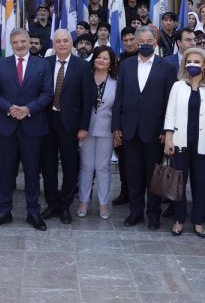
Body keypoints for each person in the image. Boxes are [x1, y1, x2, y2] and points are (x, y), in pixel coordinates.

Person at [0, 28, 53, 231]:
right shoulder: (0, 64)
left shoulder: (42, 64)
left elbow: (47, 93)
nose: (20, 45)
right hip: (7, 126)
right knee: (5, 172)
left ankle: (33, 212)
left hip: (32, 126)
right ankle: (4, 211)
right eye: (16, 42)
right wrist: (10, 108)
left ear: (29, 42)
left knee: (32, 172)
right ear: (11, 44)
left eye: (24, 41)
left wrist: (28, 109)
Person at [112, 26, 178, 230]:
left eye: (149, 40)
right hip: (129, 129)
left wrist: (166, 131)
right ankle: (135, 212)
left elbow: (170, 101)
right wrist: (116, 126)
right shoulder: (126, 65)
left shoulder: (166, 67)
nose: (145, 44)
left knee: (155, 175)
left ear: (156, 41)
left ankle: (154, 215)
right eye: (141, 41)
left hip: (155, 131)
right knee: (133, 174)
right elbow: (119, 97)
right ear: (135, 43)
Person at [163, 47, 205, 238]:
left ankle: (198, 221)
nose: (193, 65)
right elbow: (170, 113)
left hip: (204, 145)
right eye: (189, 61)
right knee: (178, 184)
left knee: (202, 184)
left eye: (197, 62)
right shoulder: (177, 86)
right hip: (180, 143)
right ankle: (179, 220)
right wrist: (169, 138)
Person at [41, 29, 94, 225]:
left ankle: (65, 205)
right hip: (46, 122)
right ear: (53, 44)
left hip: (70, 124)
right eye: (58, 41)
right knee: (48, 166)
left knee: (70, 166)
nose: (62, 44)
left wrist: (84, 127)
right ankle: (52, 203)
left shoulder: (82, 66)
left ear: (71, 43)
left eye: (65, 41)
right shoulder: (44, 64)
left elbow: (87, 100)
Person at [78, 46, 118, 220]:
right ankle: (83, 202)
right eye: (98, 57)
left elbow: (119, 107)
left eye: (105, 58)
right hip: (85, 128)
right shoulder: (84, 78)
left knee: (102, 168)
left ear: (111, 63)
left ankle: (103, 204)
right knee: (86, 166)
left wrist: (117, 130)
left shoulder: (117, 81)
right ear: (93, 60)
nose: (101, 60)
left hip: (106, 129)